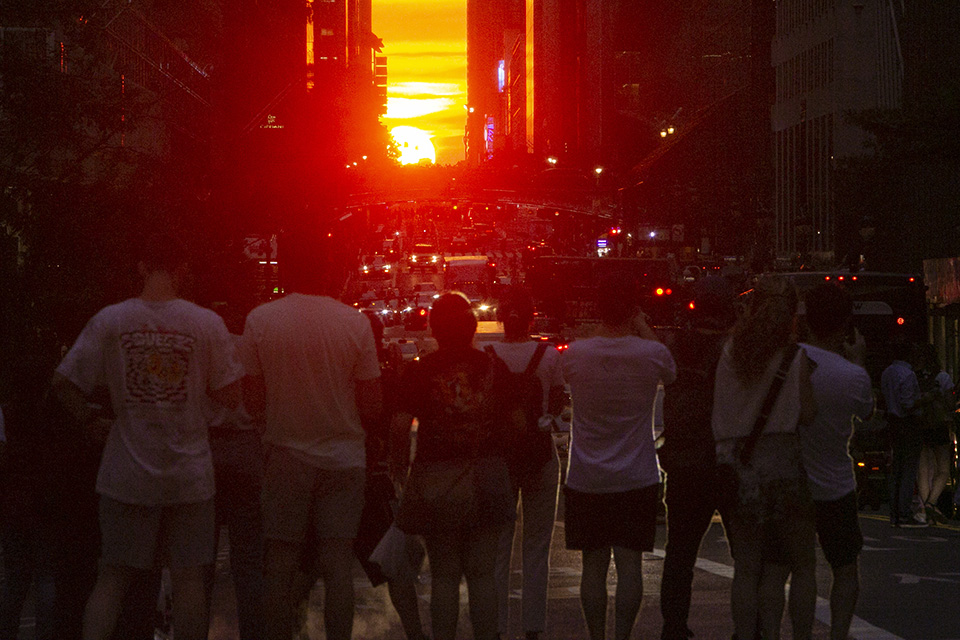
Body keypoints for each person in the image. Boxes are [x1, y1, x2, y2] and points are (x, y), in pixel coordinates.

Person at [52, 233, 244, 640]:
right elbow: (232, 393)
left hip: (127, 473)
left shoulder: (111, 320)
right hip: (189, 474)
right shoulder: (205, 323)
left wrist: (91, 421)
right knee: (190, 581)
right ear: (183, 270)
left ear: (141, 267)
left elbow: (65, 382)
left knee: (113, 578)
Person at [238, 230, 383, 640]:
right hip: (344, 458)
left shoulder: (261, 321)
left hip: (285, 454)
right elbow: (372, 405)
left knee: (280, 560)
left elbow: (252, 402)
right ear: (329, 270)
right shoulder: (354, 323)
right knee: (338, 561)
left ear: (285, 267)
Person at [392, 292, 516, 640]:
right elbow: (516, 422)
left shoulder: (421, 370)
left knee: (444, 574)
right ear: (473, 326)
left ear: (433, 328)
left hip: (437, 480)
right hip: (488, 475)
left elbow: (400, 426)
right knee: (482, 575)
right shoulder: (493, 367)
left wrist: (399, 469)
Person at [560, 271, 676, 640]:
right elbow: (670, 371)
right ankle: (623, 635)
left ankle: (597, 635)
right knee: (630, 568)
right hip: (637, 475)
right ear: (632, 309)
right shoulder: (651, 353)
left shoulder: (577, 354)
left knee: (592, 569)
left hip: (587, 475)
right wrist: (641, 324)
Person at [711, 274, 817, 640]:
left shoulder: (729, 351)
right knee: (795, 563)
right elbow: (807, 415)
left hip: (736, 465)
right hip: (782, 464)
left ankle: (746, 635)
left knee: (747, 565)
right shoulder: (795, 356)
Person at [658, 276, 738, 640]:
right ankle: (747, 627)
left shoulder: (676, 345)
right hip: (727, 459)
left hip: (684, 460)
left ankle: (673, 627)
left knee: (680, 552)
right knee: (746, 556)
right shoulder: (734, 350)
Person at [798, 282, 874, 640]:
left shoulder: (790, 361)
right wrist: (857, 360)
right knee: (845, 568)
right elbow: (867, 410)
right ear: (846, 326)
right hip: (836, 484)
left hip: (794, 480)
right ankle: (838, 635)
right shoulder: (851, 375)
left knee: (800, 569)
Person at [488, 287, 565, 640]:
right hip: (540, 456)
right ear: (532, 317)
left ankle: (497, 627)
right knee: (537, 547)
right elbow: (558, 404)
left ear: (502, 317)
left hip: (500, 460)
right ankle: (533, 627)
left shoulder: (486, 355)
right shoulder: (547, 355)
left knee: (498, 549)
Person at [881, 342, 928, 528]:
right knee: (909, 469)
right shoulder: (908, 374)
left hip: (892, 423)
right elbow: (908, 404)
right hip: (908, 424)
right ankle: (904, 512)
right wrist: (924, 399)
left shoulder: (887, 372)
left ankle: (894, 512)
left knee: (896, 469)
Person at [915, 345, 953, 524]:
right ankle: (931, 503)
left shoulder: (915, 377)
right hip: (939, 425)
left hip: (921, 424)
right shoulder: (943, 377)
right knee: (943, 469)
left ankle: (924, 508)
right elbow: (950, 402)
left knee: (923, 469)